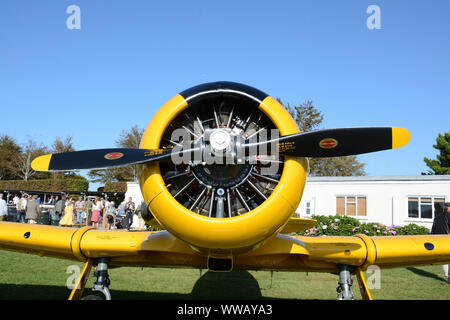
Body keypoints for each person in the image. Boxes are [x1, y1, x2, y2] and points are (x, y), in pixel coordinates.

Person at [431, 202, 450, 283]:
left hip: (439, 241)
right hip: (448, 238)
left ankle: (447, 276)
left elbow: (433, 230)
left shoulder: (437, 217)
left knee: (445, 260)